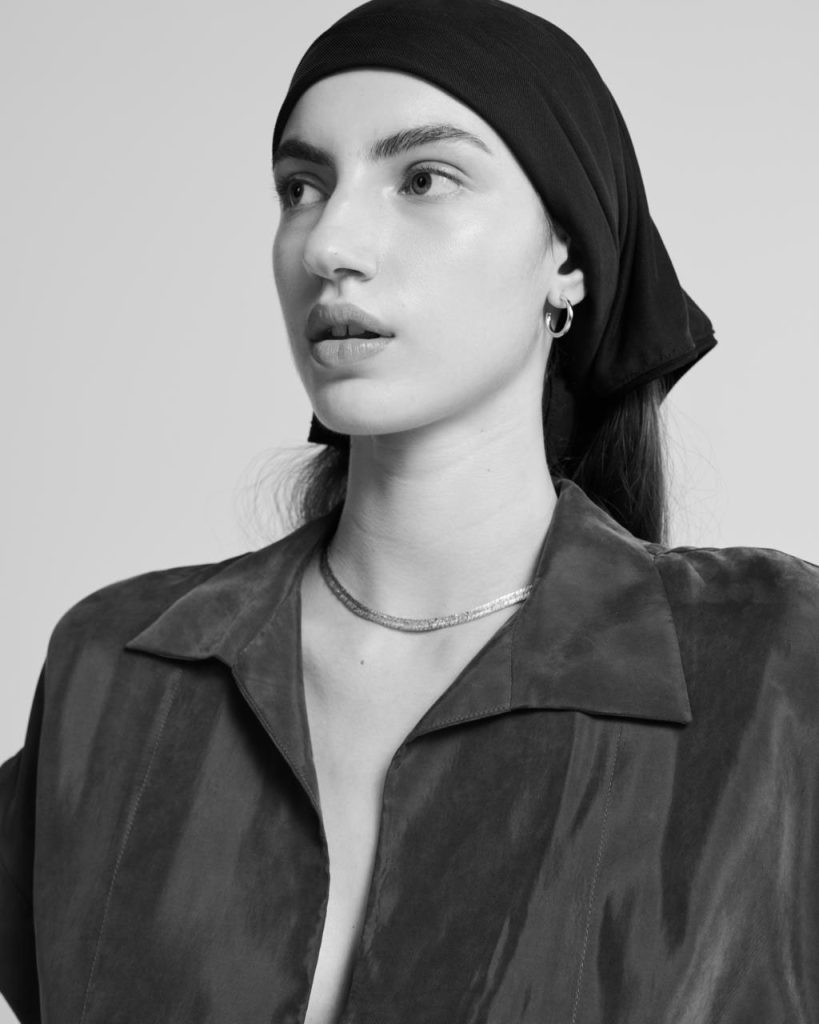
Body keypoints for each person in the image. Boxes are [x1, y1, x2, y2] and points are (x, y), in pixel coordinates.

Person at [1, 0, 817, 1022]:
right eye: (301, 188)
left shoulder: (776, 664)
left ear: (566, 259)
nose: (329, 243)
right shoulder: (116, 671)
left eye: (424, 178)